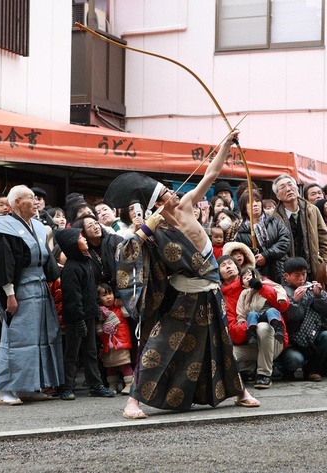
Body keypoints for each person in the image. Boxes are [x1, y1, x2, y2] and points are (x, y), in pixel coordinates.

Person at [108, 131, 260, 419]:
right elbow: (126, 253)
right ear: (159, 203)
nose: (174, 193)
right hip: (183, 298)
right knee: (159, 346)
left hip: (210, 292)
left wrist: (227, 144)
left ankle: (240, 392)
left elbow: (211, 174)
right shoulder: (156, 229)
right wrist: (145, 228)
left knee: (221, 345)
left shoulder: (188, 203)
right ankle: (133, 402)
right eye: (167, 193)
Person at [0, 185, 64, 406]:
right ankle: (6, 388)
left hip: (40, 287)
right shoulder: (5, 227)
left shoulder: (38, 226)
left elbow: (46, 257)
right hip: (19, 288)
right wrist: (9, 294)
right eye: (30, 198)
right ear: (16, 202)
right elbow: (4, 263)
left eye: (36, 198)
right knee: (16, 338)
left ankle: (29, 386)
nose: (36, 202)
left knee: (39, 338)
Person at [54, 227, 115, 401]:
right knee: (72, 353)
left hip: (87, 315)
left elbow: (89, 292)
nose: (85, 239)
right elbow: (72, 297)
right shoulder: (71, 268)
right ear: (72, 245)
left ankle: (95, 385)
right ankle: (66, 387)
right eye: (80, 238)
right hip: (76, 318)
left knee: (91, 350)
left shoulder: (85, 261)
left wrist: (94, 311)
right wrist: (79, 319)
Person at [279, 257, 327, 382]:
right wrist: (294, 301)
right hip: (293, 339)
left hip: (311, 334)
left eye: (303, 274)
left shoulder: (309, 288)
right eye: (296, 275)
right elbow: (291, 317)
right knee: (294, 359)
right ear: (286, 276)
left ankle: (312, 369)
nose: (301, 278)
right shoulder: (281, 291)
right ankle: (287, 370)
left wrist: (319, 295)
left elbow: (326, 310)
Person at [273, 174, 327, 279]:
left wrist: (325, 263)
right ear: (278, 196)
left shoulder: (312, 210)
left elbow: (324, 238)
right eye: (282, 187)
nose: (288, 189)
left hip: (314, 268)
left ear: (297, 188)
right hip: (290, 274)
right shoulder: (275, 218)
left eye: (290, 185)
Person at [236, 268, 289, 385]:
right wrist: (242, 324)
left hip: (270, 333)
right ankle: (245, 371)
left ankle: (264, 374)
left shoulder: (269, 285)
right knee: (252, 316)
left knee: (265, 325)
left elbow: (283, 303)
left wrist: (262, 288)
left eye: (250, 275)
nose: (247, 278)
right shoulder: (244, 294)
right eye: (244, 278)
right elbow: (240, 314)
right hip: (252, 331)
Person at [234, 189, 290, 283]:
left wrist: (266, 255)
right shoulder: (240, 232)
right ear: (244, 207)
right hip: (258, 274)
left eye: (257, 201)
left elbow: (285, 241)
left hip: (281, 268)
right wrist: (256, 259)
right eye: (250, 202)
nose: (255, 204)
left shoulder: (275, 221)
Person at [97, 283, 134, 395]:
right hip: (107, 343)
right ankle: (112, 384)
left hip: (121, 341)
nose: (108, 297)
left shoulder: (118, 307)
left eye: (110, 293)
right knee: (110, 365)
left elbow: (128, 313)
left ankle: (129, 383)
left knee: (124, 363)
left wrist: (122, 302)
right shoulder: (100, 312)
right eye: (104, 295)